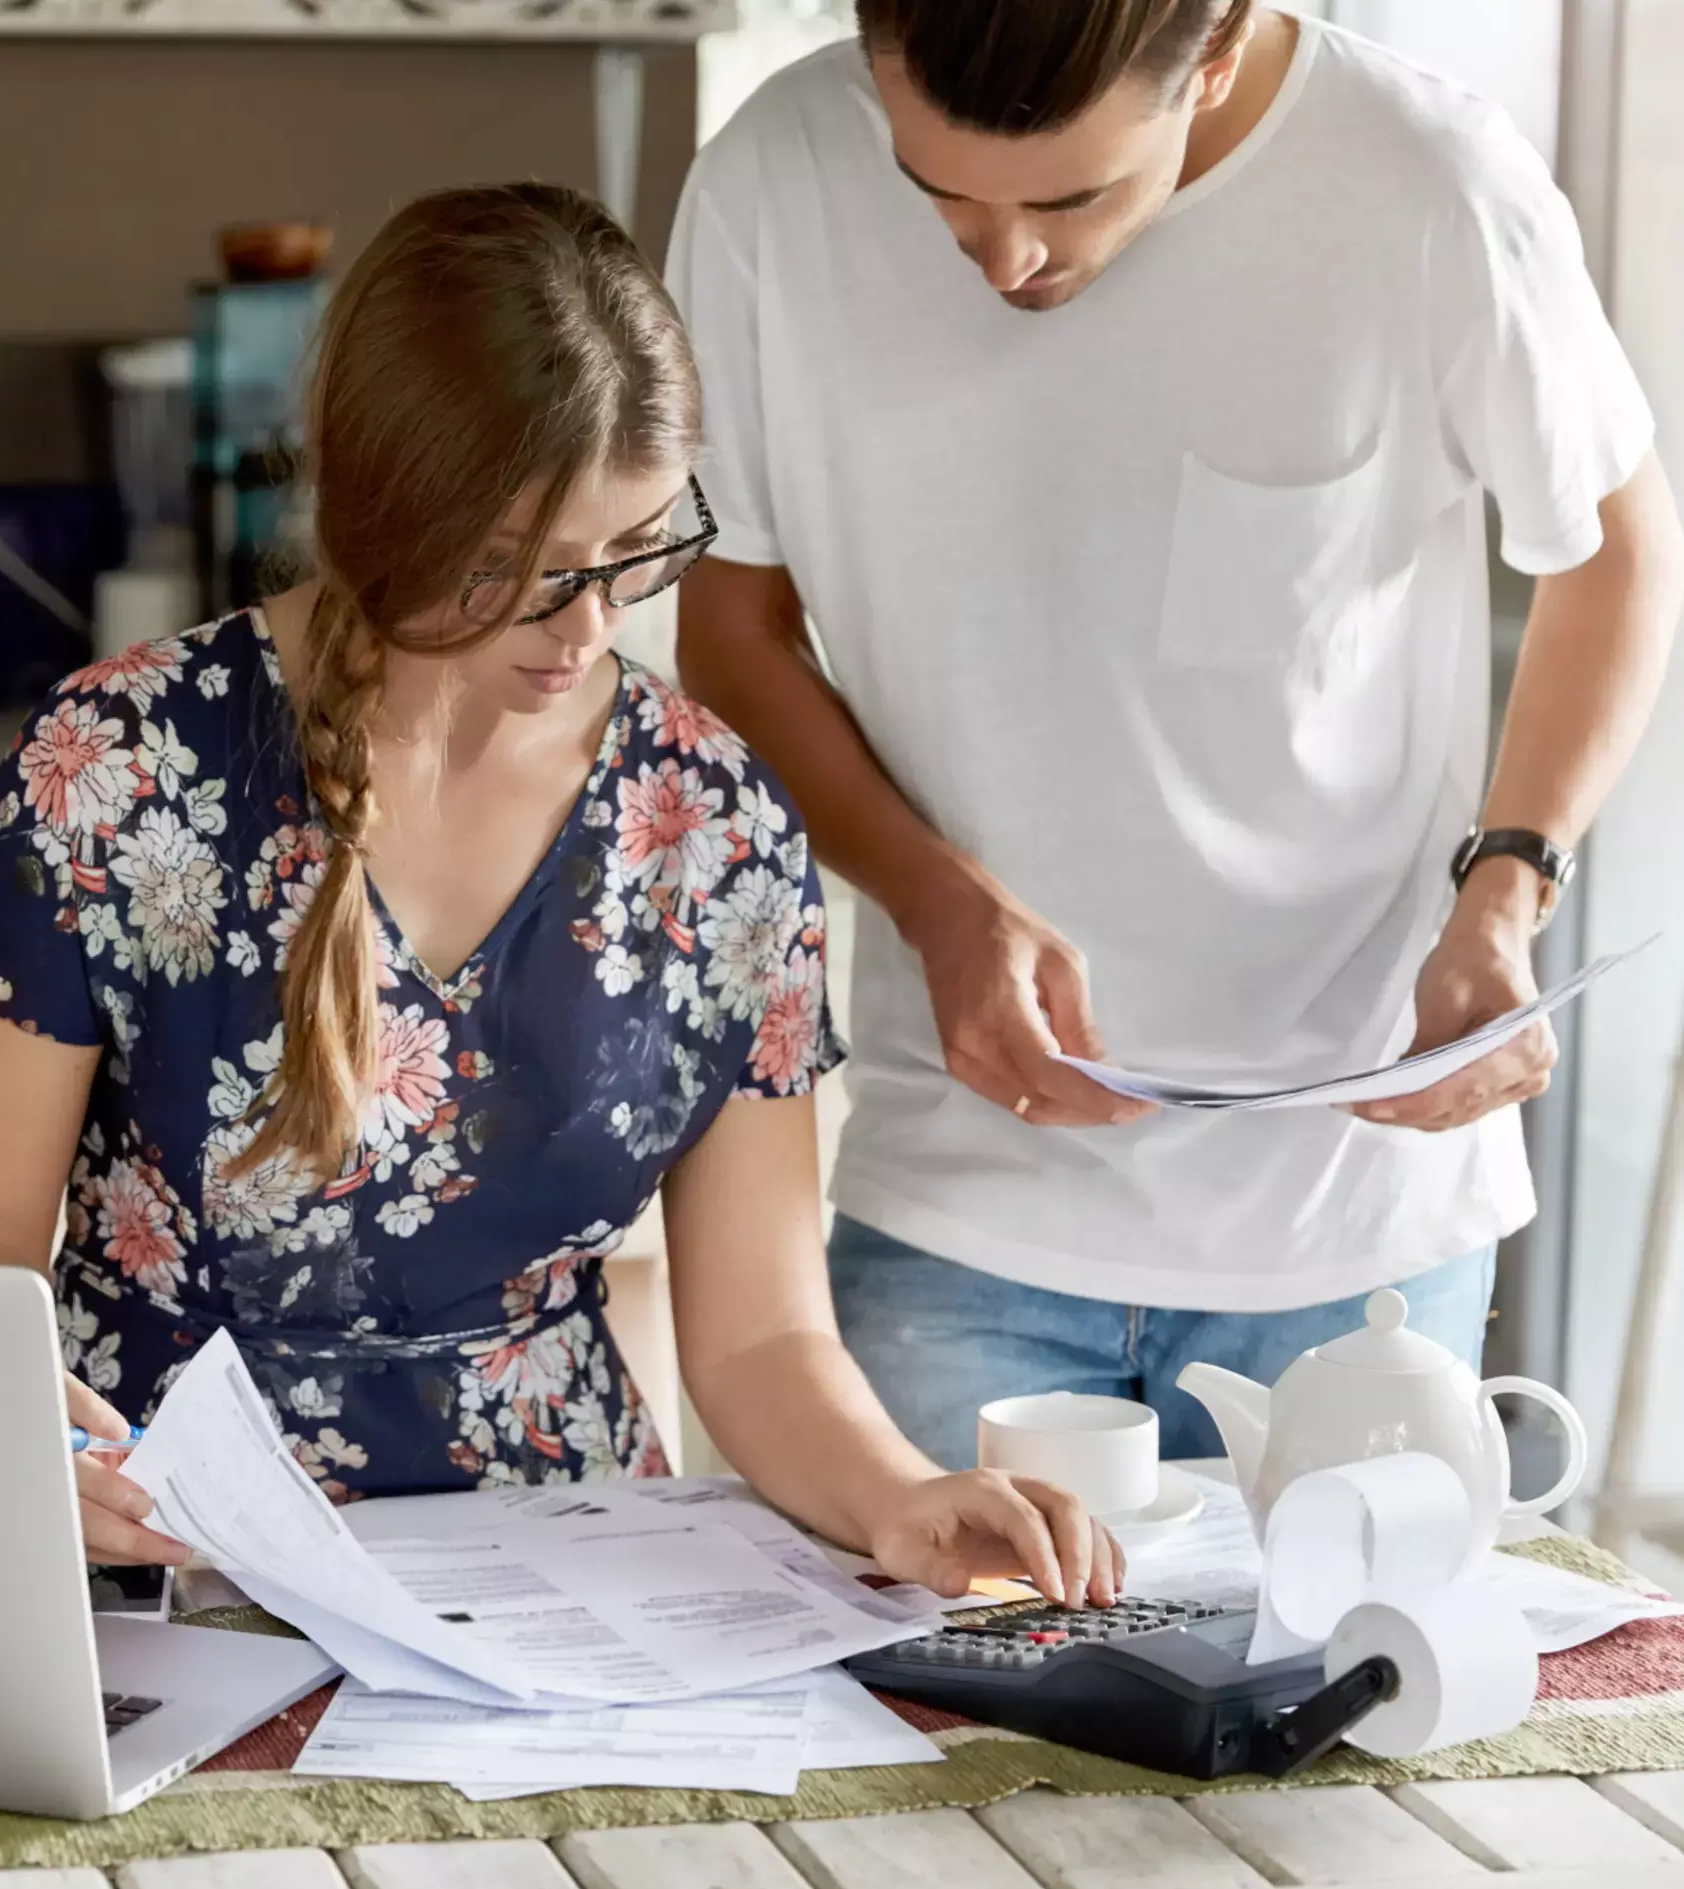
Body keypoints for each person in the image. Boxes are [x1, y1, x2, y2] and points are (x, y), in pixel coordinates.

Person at [0, 183, 1120, 1605]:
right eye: (515, 572)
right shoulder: (112, 769)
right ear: (383, 510)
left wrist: (901, 1497)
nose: (589, 628)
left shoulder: (714, 825)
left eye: (635, 553)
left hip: (570, 1586)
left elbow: (762, 1339)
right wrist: (29, 1443)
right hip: (166, 1564)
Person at [668, 0, 1684, 1467]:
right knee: (921, 1632)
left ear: (1213, 56)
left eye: (1068, 199)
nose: (1004, 260)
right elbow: (731, 634)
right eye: (937, 194)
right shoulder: (771, 180)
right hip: (958, 1205)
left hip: (1356, 1226)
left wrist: (1506, 892)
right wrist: (937, 906)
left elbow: (1617, 551)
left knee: (1347, 1628)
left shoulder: (1432, 187)